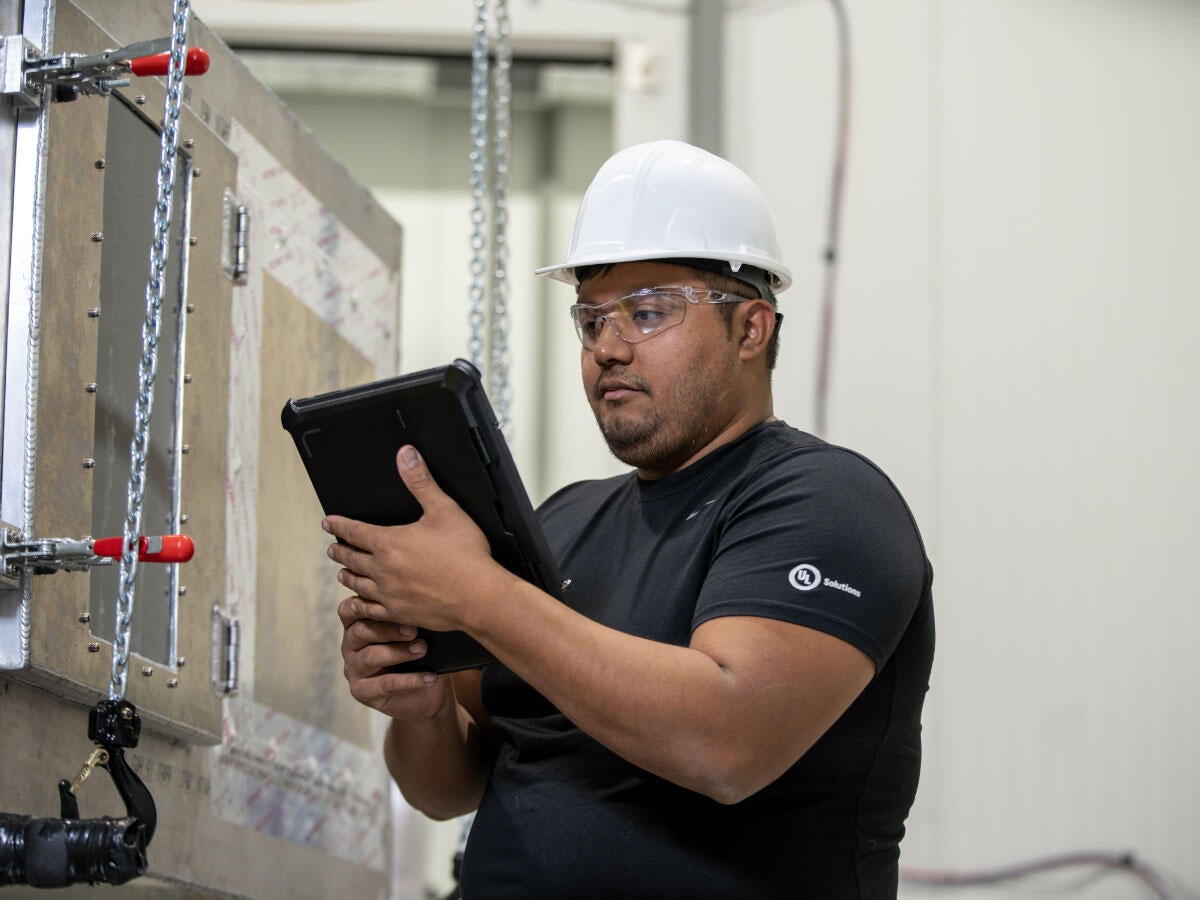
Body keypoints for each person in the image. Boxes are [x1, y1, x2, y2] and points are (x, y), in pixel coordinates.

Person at [325, 140, 934, 899]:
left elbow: (725, 743)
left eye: (648, 313)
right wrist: (420, 710)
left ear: (752, 329)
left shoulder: (827, 500)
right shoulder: (564, 522)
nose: (608, 348)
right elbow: (451, 786)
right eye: (590, 320)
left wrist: (475, 596)